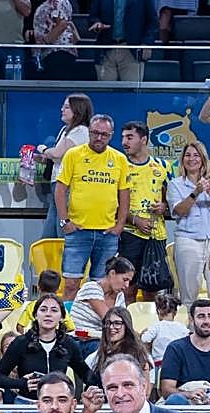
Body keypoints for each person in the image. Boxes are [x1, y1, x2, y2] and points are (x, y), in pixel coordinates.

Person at [55, 114, 129, 297]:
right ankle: (68, 324)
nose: (99, 138)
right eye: (95, 133)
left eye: (104, 134)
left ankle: (97, 324)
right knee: (71, 284)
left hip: (107, 234)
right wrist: (65, 222)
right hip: (78, 231)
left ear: (111, 135)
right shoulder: (73, 155)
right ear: (89, 131)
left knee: (102, 287)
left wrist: (120, 225)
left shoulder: (119, 159)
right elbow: (59, 191)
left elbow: (125, 194)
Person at [0, 293, 89, 402]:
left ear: (62, 317)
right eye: (43, 310)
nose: (48, 314)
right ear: (35, 315)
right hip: (27, 405)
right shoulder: (21, 342)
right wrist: (22, 383)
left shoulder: (69, 344)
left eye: (54, 310)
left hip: (57, 406)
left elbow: (86, 374)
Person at [119, 120, 169, 301]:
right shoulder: (120, 165)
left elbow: (172, 199)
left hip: (156, 235)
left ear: (144, 139)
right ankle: (128, 326)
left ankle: (150, 326)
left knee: (152, 287)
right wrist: (135, 220)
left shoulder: (163, 166)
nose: (124, 142)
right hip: (129, 235)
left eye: (129, 137)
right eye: (123, 137)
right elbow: (112, 203)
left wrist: (164, 206)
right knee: (128, 287)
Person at [36, 93, 93, 240]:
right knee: (49, 236)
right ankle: (44, 263)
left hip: (68, 188)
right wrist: (43, 158)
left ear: (78, 110)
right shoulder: (66, 130)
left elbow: (57, 153)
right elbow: (59, 158)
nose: (62, 109)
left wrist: (42, 149)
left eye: (67, 107)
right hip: (57, 186)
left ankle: (64, 263)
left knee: (63, 236)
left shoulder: (80, 131)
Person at [167, 141, 210, 305]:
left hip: (209, 240)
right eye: (188, 155)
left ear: (203, 159)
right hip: (188, 242)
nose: (191, 159)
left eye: (196, 155)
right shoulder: (175, 185)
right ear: (182, 159)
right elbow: (180, 211)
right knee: (189, 295)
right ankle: (190, 330)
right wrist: (196, 192)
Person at [70, 255, 132, 358]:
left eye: (129, 281)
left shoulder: (119, 295)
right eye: (125, 279)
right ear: (112, 273)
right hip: (80, 341)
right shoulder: (91, 287)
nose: (127, 285)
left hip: (104, 341)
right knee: (108, 351)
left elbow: (123, 323)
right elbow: (109, 319)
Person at [87, 0, 157, 82]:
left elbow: (153, 22)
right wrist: (96, 23)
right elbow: (92, 17)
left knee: (131, 91)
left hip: (132, 52)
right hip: (106, 51)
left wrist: (147, 43)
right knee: (106, 91)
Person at [160, 298, 210, 404]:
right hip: (186, 409)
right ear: (191, 319)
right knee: (175, 400)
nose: (206, 321)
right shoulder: (176, 348)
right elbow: (166, 390)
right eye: (201, 316)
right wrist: (190, 394)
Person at [86, 307, 151, 387]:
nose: (111, 327)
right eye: (108, 323)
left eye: (117, 323)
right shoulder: (95, 357)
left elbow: (146, 392)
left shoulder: (141, 355)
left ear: (126, 326)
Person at [32, 0, 79, 80]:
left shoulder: (58, 2)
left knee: (57, 86)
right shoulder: (49, 3)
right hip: (50, 54)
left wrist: (44, 42)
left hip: (58, 53)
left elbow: (62, 25)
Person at [143, 292, 188, 369]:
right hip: (178, 364)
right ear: (176, 312)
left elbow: (144, 339)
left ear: (158, 312)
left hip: (159, 364)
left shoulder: (156, 326)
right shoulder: (182, 327)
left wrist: (145, 331)